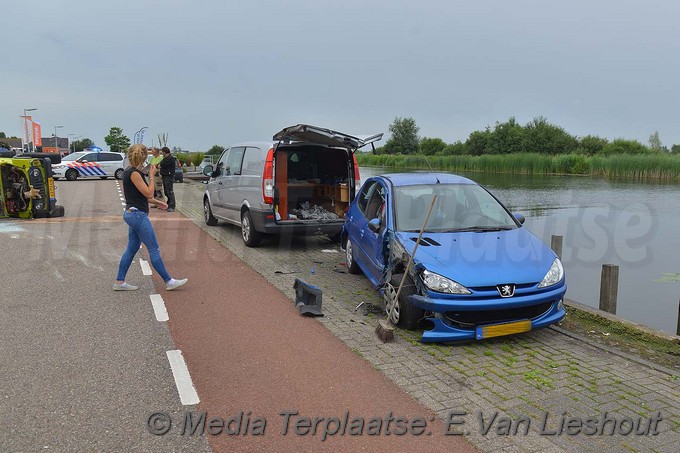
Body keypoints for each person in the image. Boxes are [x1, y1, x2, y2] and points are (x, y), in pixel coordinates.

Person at [114, 144, 188, 291]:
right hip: (137, 215)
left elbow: (139, 196)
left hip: (132, 212)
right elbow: (148, 193)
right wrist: (152, 176)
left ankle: (119, 281)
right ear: (143, 157)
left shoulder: (129, 171)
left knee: (132, 248)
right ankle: (169, 281)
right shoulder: (135, 173)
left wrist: (159, 203)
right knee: (154, 249)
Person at [159, 146, 176, 212]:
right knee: (166, 191)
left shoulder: (170, 158)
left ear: (164, 152)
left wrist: (160, 165)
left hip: (168, 176)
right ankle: (168, 204)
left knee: (169, 191)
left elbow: (162, 164)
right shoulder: (165, 158)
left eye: (162, 152)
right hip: (165, 176)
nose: (161, 153)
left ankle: (172, 206)